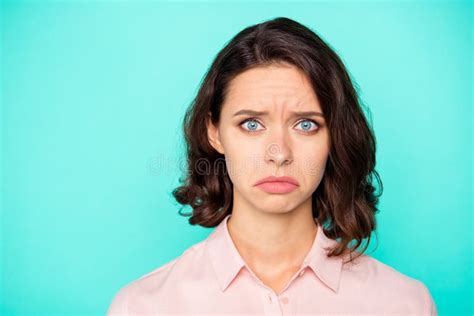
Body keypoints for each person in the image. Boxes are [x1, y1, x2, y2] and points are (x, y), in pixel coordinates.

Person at [107, 17, 437, 315]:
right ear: (214, 133)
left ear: (334, 136)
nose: (279, 154)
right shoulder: (141, 306)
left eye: (306, 124)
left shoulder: (404, 303)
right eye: (251, 124)